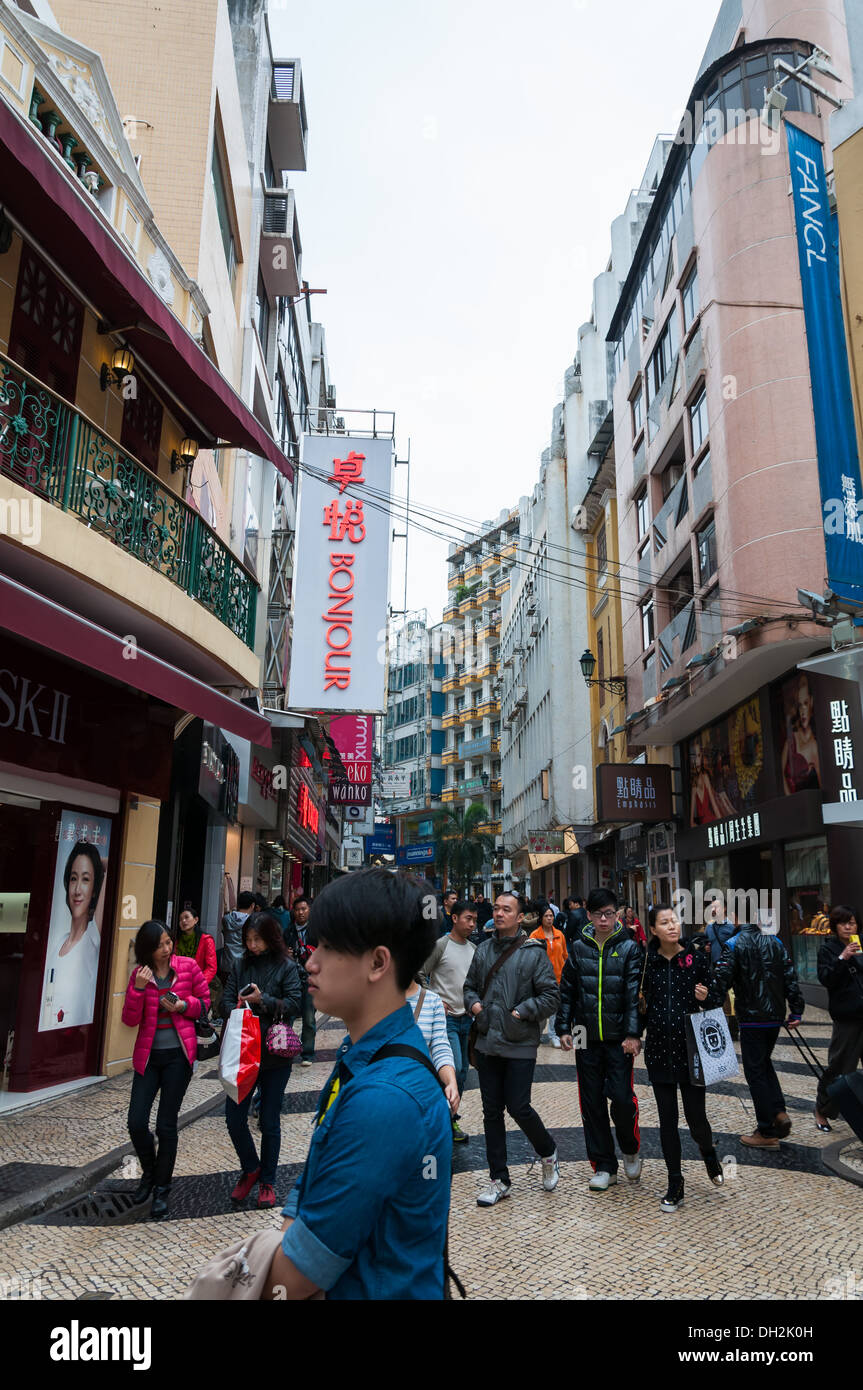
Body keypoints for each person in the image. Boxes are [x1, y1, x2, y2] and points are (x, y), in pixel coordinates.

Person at [261, 869, 452, 1300]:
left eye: (328, 948)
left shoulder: (385, 1100)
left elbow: (292, 1280)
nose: (310, 962)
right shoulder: (364, 1054)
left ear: (378, 963)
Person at [463, 891, 560, 1207]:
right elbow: (469, 988)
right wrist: (475, 1005)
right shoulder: (483, 950)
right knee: (491, 1111)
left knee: (518, 1106)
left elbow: (550, 996)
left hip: (519, 1042)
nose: (500, 913)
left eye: (507, 909)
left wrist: (523, 1010)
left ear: (520, 917)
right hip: (489, 1039)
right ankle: (499, 1179)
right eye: (496, 908)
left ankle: (547, 1151)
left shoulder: (534, 953)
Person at [556, 887, 643, 1191]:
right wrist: (563, 1027)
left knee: (621, 1097)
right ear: (589, 915)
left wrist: (634, 1034)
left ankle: (630, 1148)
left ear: (617, 914)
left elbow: (633, 995)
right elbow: (568, 989)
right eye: (597, 914)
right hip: (584, 1033)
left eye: (609, 913)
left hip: (620, 1037)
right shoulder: (579, 947)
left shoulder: (631, 948)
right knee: (590, 1101)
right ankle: (604, 1165)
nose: (604, 919)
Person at [122, 920, 210, 1220]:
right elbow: (130, 1020)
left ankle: (162, 1190)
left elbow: (205, 1005)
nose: (166, 949)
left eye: (168, 942)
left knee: (165, 1125)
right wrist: (137, 989)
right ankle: (149, 1173)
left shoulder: (186, 967)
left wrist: (184, 1006)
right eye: (160, 945)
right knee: (136, 1122)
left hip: (177, 1057)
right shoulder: (140, 975)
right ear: (147, 949)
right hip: (148, 1058)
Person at [640, 905, 724, 1212]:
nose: (672, 925)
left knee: (696, 1117)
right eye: (664, 922)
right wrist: (634, 1035)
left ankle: (707, 1150)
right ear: (653, 930)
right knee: (667, 1121)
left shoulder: (695, 958)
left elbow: (716, 999)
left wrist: (706, 997)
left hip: (692, 1052)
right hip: (659, 1050)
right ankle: (675, 1181)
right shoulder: (647, 962)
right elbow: (640, 1003)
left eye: (674, 920)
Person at [222, 911, 302, 1208]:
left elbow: (294, 1004)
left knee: (269, 1120)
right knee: (233, 1118)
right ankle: (250, 1167)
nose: (252, 945)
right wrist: (239, 1006)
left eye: (257, 940)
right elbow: (225, 1000)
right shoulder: (241, 965)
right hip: (243, 1053)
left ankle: (267, 1180)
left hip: (274, 1055)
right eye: (248, 940)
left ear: (271, 939)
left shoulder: (287, 967)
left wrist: (263, 1000)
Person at [709, 916, 805, 1147]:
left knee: (755, 1071)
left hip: (752, 1018)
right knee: (763, 1063)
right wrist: (797, 1010)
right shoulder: (775, 942)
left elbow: (721, 981)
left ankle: (767, 1130)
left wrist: (708, 1002)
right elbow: (790, 977)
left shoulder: (733, 944)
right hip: (774, 1016)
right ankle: (778, 1112)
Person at [423, 899, 477, 1142]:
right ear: (454, 918)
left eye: (475, 920)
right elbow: (420, 973)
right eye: (468, 918)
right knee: (452, 1068)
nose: (472, 924)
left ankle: (449, 1118)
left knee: (463, 1072)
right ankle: (439, 1119)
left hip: (467, 1019)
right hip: (446, 1020)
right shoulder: (440, 946)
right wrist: (435, 999)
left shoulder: (474, 949)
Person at [41, 840, 104, 1031]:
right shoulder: (58, 943)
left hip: (75, 1040)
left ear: (94, 891)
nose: (77, 890)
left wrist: (92, 857)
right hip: (47, 1036)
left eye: (86, 880)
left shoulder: (93, 937)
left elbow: (110, 866)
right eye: (73, 878)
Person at [814, 906, 863, 1131]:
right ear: (835, 927)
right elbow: (827, 978)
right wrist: (843, 958)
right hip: (847, 1017)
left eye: (851, 922)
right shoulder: (829, 950)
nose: (848, 927)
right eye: (843, 923)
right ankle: (822, 1110)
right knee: (839, 1067)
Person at [529, 900, 568, 1047]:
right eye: (546, 916)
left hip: (558, 978)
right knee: (541, 1011)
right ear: (541, 918)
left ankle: (553, 1035)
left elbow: (565, 955)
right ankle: (537, 1034)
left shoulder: (560, 935)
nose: (549, 918)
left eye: (551, 916)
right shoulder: (534, 935)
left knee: (555, 1009)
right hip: (540, 979)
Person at [284, 895, 317, 1066]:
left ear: (310, 910)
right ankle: (285, 1048)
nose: (300, 912)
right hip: (292, 978)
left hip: (311, 979)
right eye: (297, 909)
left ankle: (308, 1053)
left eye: (304, 909)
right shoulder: (288, 931)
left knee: (309, 1017)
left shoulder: (318, 931)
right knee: (287, 1014)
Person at [781, 673, 821, 794]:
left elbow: (822, 784)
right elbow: (781, 771)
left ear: (812, 702)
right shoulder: (791, 739)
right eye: (799, 705)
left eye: (806, 703)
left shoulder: (814, 746)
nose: (803, 710)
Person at [172, 906, 217, 1005]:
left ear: (196, 920)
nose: (183, 921)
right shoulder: (177, 941)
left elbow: (211, 967)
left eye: (186, 917)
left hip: (200, 983)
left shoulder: (206, 940)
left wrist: (199, 984)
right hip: (181, 984)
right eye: (180, 919)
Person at [221, 890, 255, 974]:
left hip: (226, 963)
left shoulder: (226, 919)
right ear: (252, 905)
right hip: (243, 965)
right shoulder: (252, 921)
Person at [690, 742, 722, 825]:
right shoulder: (693, 783)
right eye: (695, 756)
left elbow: (713, 803)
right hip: (703, 827)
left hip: (711, 821)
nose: (697, 760)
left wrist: (721, 822)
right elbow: (691, 820)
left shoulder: (705, 777)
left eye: (699, 755)